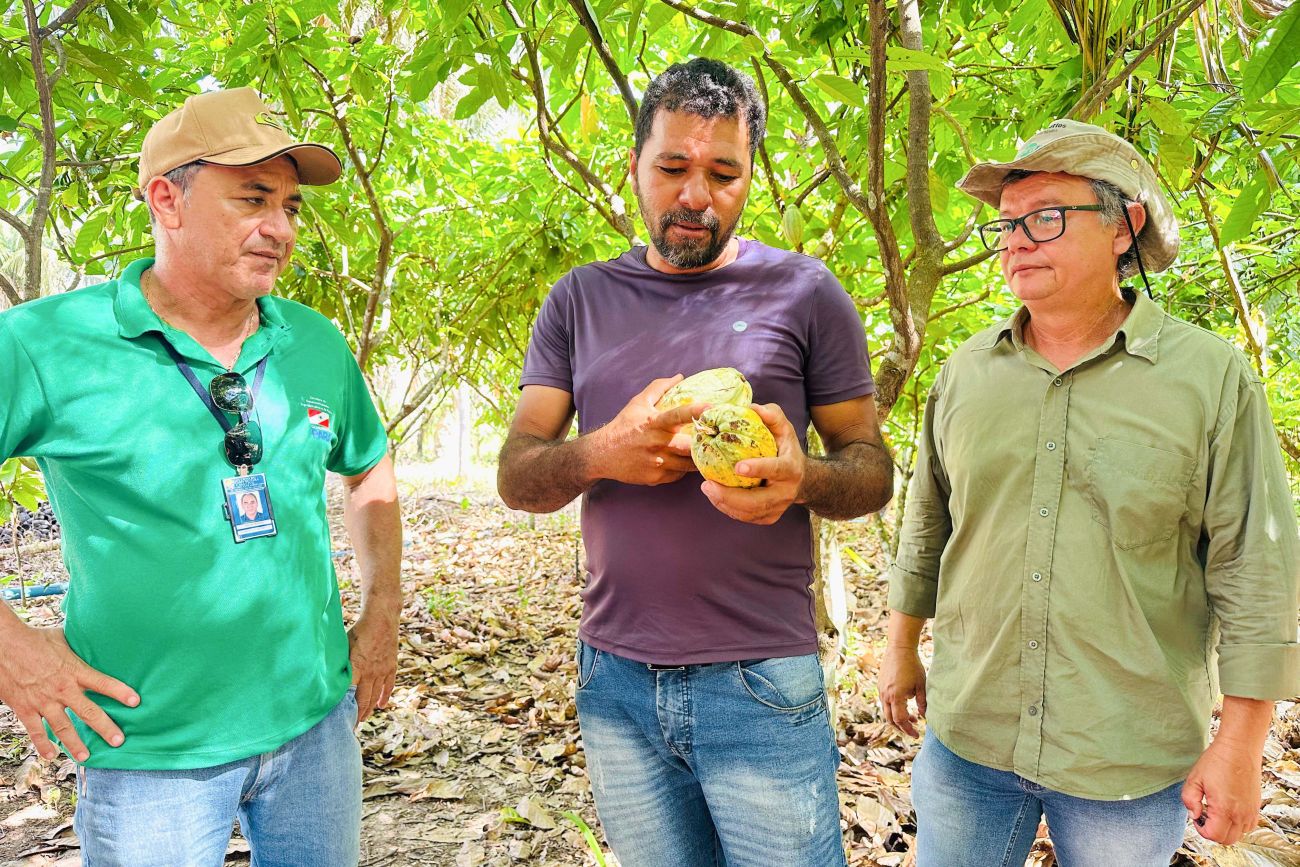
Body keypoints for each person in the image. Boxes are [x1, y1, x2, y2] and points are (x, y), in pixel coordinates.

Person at [497, 58, 894, 866]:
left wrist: (802, 479)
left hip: (759, 679)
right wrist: (605, 451)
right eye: (673, 166)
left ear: (751, 177)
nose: (694, 195)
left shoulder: (806, 292)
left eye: (724, 172)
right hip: (616, 680)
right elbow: (517, 474)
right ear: (635, 166)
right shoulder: (579, 299)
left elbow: (871, 468)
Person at [878, 118, 1299, 867]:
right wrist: (900, 647)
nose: (1015, 240)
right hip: (971, 734)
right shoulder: (967, 375)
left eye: (1044, 217)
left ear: (1122, 225)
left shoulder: (1208, 380)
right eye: (1007, 224)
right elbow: (928, 525)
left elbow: (1254, 567)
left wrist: (1240, 741)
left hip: (1128, 757)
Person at [0, 87, 402, 866]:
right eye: (254, 199)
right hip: (150, 751)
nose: (280, 229)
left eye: (289, 207)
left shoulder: (311, 341)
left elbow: (370, 462)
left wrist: (381, 608)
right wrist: (9, 644)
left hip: (316, 730)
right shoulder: (46, 346)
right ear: (165, 199)